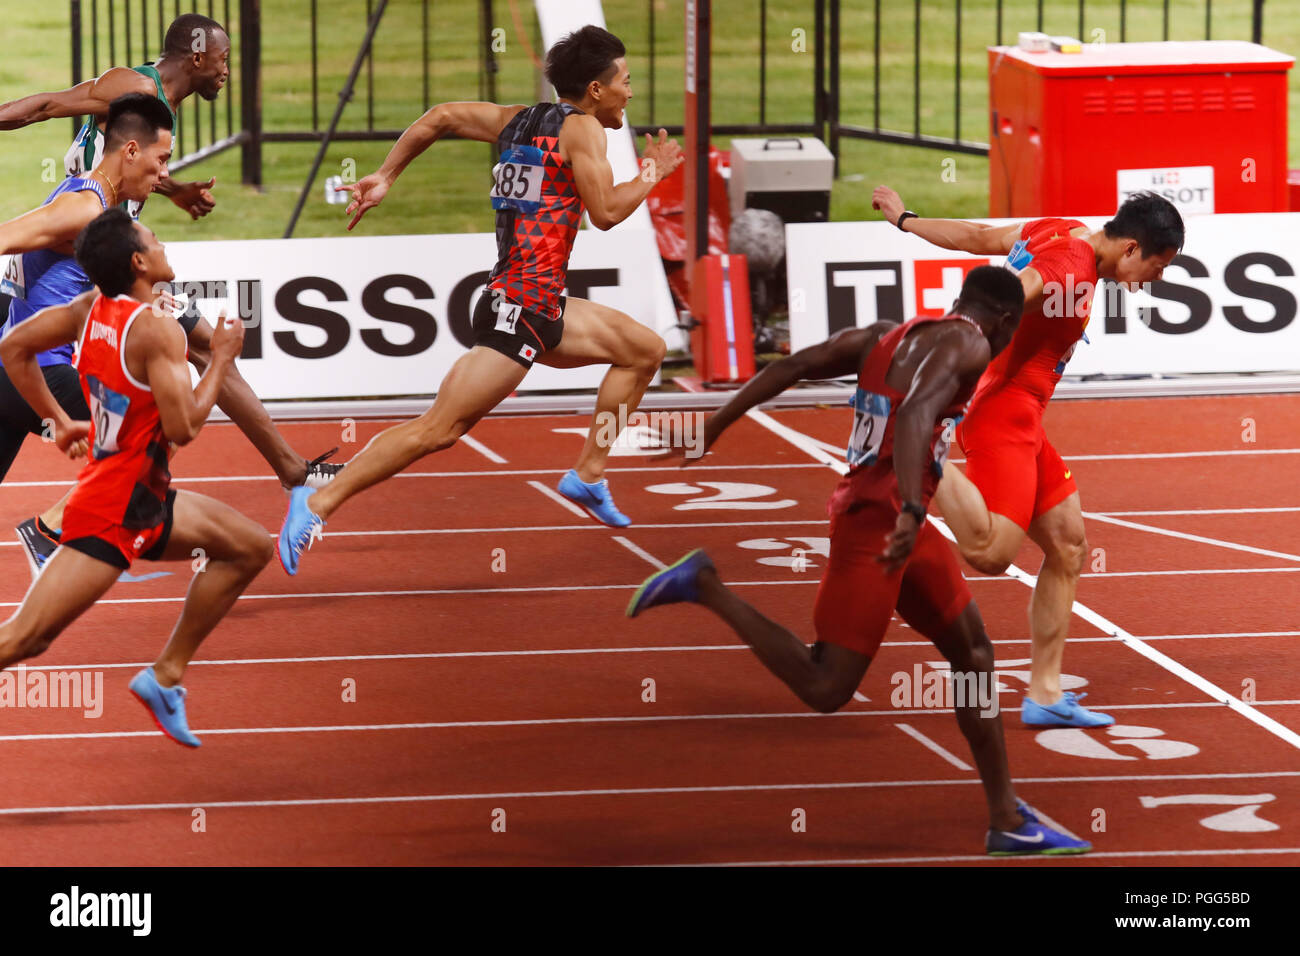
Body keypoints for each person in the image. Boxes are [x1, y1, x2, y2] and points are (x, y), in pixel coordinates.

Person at [629, 266, 1090, 855]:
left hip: (901, 519)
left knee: (973, 652)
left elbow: (792, 365)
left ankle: (1005, 818)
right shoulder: (974, 342)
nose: (1002, 347)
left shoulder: (883, 335)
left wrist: (712, 427)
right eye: (1009, 335)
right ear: (1003, 323)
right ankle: (706, 583)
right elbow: (920, 412)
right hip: (877, 525)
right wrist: (911, 514)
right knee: (826, 687)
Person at [277, 24, 680, 573]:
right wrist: (654, 171)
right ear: (594, 90)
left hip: (543, 306)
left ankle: (586, 475)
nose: (630, 93)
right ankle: (317, 499)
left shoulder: (514, 119)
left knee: (645, 350)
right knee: (437, 430)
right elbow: (606, 213)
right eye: (625, 82)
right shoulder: (585, 131)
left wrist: (387, 175)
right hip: (518, 311)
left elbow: (440, 116)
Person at [871, 186, 1184, 728]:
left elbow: (976, 238)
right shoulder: (1069, 268)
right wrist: (943, 365)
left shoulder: (1061, 227)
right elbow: (1010, 296)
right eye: (1158, 267)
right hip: (1002, 412)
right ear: (1132, 248)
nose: (1156, 280)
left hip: (1024, 417)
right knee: (991, 553)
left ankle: (1044, 694)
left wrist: (906, 220)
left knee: (1067, 545)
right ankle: (920, 447)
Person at [0, 93, 337, 579]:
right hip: (41, 373)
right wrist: (217, 357)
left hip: (14, 373)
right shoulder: (83, 208)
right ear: (130, 152)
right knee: (157, 423)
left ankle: (53, 533)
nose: (163, 175)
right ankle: (50, 531)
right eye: (161, 161)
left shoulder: (108, 206)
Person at [0, 208, 272, 747]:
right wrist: (218, 359)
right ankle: (165, 674)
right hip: (111, 510)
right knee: (24, 640)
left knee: (250, 547)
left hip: (145, 496)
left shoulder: (87, 308)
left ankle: (164, 675)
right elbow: (185, 426)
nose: (162, 241)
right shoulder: (155, 331)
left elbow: (12, 348)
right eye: (153, 237)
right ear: (138, 261)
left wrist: (58, 421)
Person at [0, 12, 230, 220]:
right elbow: (47, 106)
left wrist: (175, 190)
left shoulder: (166, 102)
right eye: (224, 59)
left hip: (106, 229)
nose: (226, 71)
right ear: (198, 59)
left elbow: (128, 163)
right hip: (83, 225)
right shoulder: (137, 87)